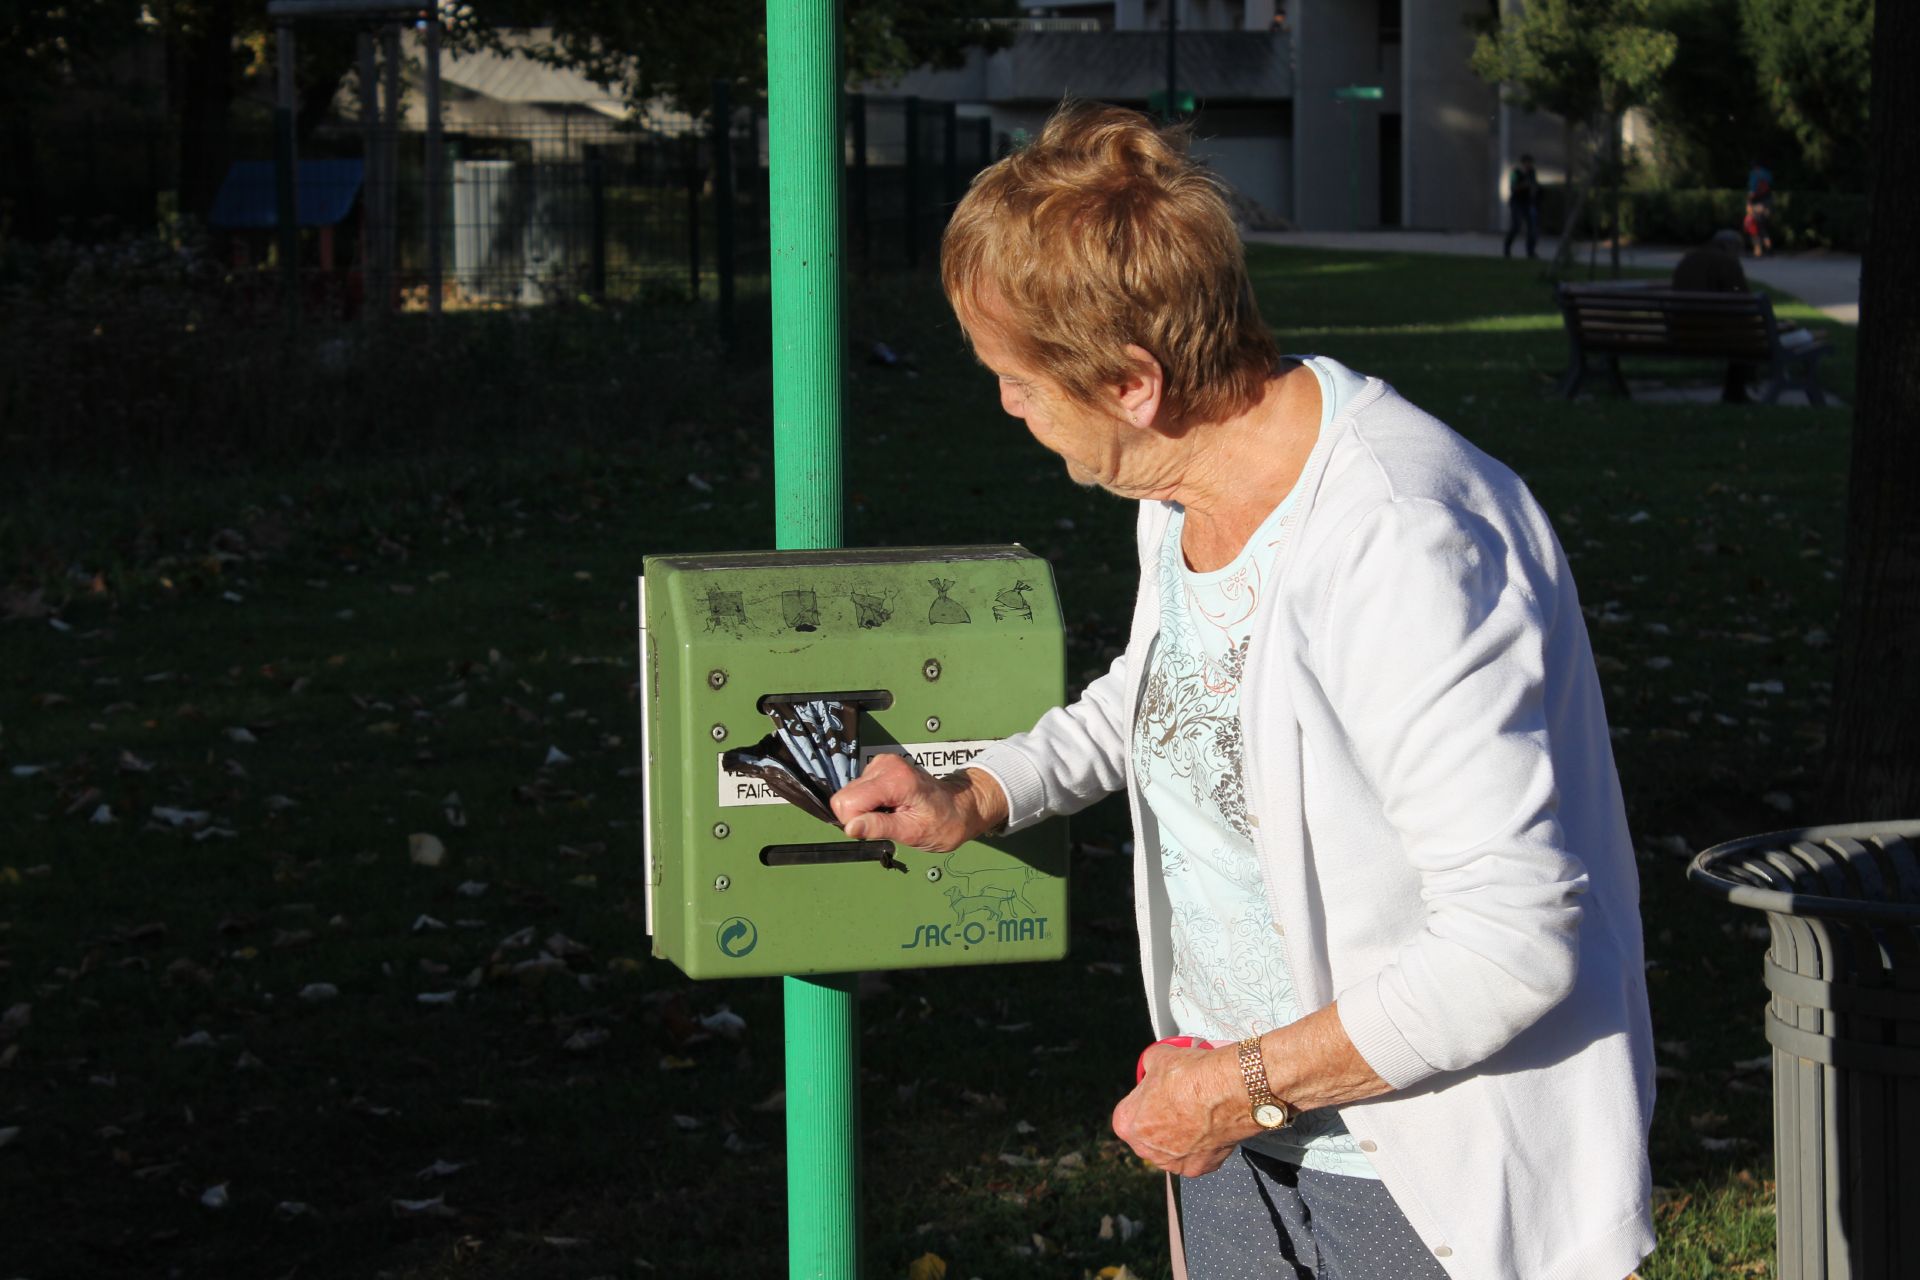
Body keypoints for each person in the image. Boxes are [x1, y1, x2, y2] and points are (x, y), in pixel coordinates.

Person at [832, 103, 1655, 1280]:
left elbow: (1515, 941)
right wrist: (979, 790)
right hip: (1248, 1142)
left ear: (1130, 383)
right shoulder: (1185, 491)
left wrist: (1233, 1089)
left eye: (1015, 380)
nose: (1006, 406)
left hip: (1418, 1174)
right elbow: (1166, 689)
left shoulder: (1401, 546)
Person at [1672, 229, 1754, 403]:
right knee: (1746, 337)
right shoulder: (1727, 262)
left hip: (1680, 331)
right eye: (1739, 248)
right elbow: (1743, 299)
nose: (1739, 254)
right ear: (1729, 246)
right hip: (1714, 334)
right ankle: (1735, 393)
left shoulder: (1689, 259)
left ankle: (1735, 392)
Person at [1503, 153, 1540, 259]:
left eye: (1530, 163)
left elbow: (1534, 185)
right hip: (1516, 202)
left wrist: (1534, 190)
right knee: (1516, 225)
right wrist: (1524, 185)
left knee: (1532, 227)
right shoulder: (1515, 173)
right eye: (1527, 163)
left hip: (1528, 203)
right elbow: (1513, 187)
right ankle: (1507, 248)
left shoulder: (1532, 173)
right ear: (1523, 163)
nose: (1529, 166)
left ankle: (1531, 252)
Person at [1743, 159, 1774, 258]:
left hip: (1757, 204)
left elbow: (1752, 192)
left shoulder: (1754, 174)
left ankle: (1758, 251)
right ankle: (1768, 249)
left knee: (1753, 228)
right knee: (1763, 228)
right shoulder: (1767, 174)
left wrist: (1748, 203)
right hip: (1767, 204)